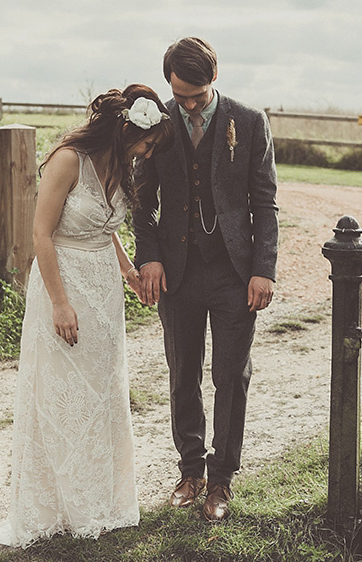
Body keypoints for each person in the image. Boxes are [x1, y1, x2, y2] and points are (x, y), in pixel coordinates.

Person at [0, 84, 173, 546]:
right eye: (147, 142)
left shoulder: (123, 165)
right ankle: (56, 506)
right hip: (63, 281)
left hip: (104, 289)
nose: (148, 152)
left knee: (101, 393)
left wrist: (127, 268)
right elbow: (42, 235)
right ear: (124, 128)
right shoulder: (68, 160)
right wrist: (60, 302)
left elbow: (104, 225)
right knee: (60, 394)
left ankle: (98, 501)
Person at [132, 37, 279, 522]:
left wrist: (263, 269)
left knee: (230, 376)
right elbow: (141, 199)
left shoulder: (251, 121)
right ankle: (190, 470)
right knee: (183, 375)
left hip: (235, 273)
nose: (189, 105)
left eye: (197, 95)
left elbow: (264, 202)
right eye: (180, 96)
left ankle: (222, 479)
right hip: (176, 273)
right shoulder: (158, 123)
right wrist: (148, 257)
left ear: (213, 79)